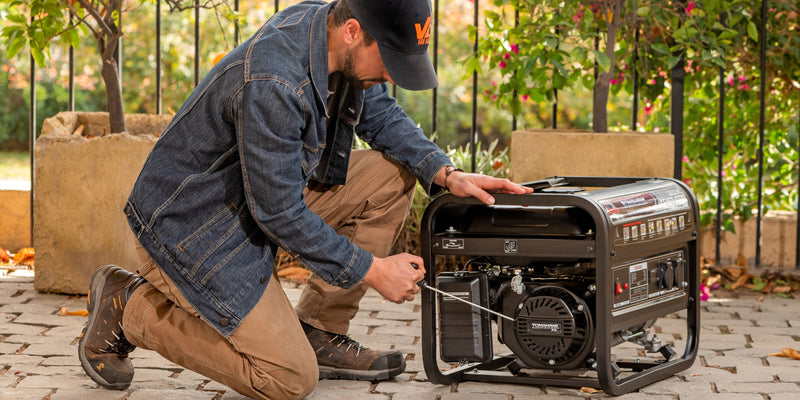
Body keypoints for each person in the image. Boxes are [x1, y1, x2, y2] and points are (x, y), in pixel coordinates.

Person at [77, 0, 533, 398]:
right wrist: (373, 270)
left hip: (255, 201)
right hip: (193, 229)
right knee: (288, 378)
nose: (394, 74)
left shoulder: (330, 33)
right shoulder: (274, 80)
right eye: (390, 58)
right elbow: (278, 212)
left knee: (391, 175)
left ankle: (320, 330)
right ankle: (129, 307)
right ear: (354, 31)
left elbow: (378, 114)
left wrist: (446, 173)